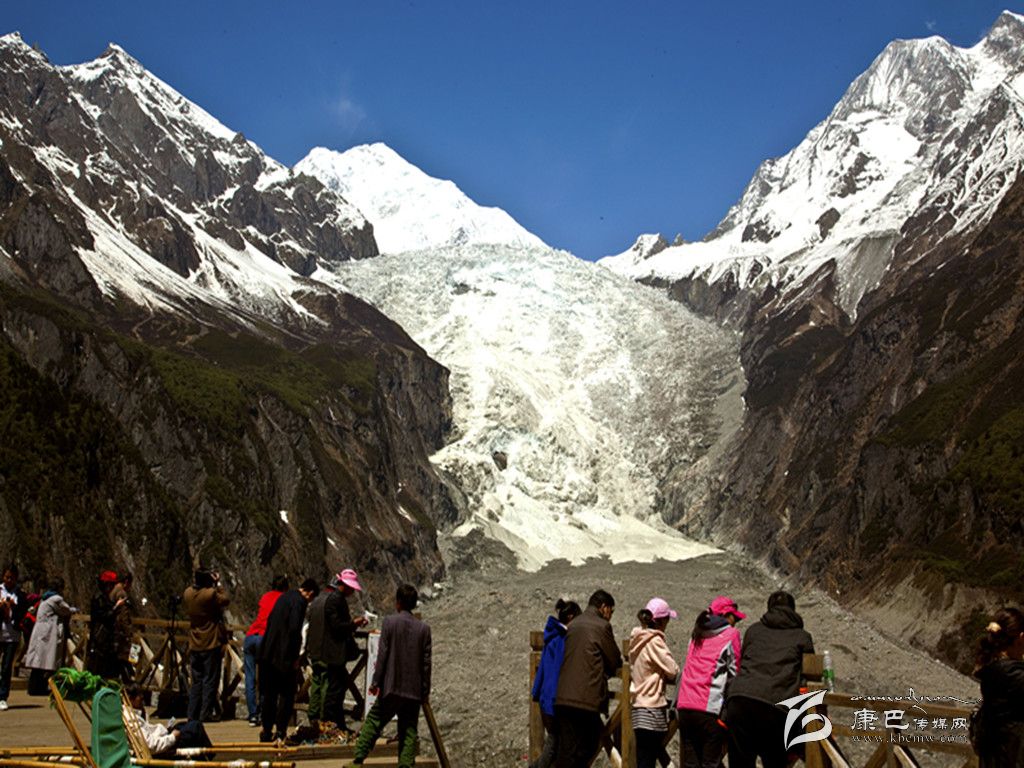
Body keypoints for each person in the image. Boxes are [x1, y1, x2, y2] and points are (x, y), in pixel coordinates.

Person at [723, 591, 814, 768]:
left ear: (769, 608)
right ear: (793, 610)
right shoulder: (802, 637)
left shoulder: (753, 631)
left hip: (740, 701)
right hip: (776, 709)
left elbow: (743, 663)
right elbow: (809, 675)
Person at [351, 584, 432, 768]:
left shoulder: (389, 622)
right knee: (409, 730)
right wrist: (425, 691)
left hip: (391, 686)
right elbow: (426, 664)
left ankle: (358, 758)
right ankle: (405, 765)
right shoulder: (424, 629)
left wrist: (375, 682)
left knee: (374, 721)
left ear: (398, 602)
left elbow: (383, 655)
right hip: (413, 690)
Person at [553, 589, 622, 768]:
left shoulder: (574, 624)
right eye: (611, 611)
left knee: (567, 750)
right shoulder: (602, 626)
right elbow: (615, 659)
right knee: (588, 745)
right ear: (604, 607)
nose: (611, 616)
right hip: (585, 699)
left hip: (563, 696)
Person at [676, 596, 745, 768]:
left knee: (691, 764)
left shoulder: (697, 631)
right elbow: (735, 673)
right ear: (726, 615)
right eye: (734, 618)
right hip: (709, 709)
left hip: (685, 706)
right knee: (710, 763)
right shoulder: (731, 634)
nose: (735, 623)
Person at [306, 569, 368, 740]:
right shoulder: (336, 600)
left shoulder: (320, 598)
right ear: (346, 586)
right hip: (330, 653)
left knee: (317, 685)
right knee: (332, 689)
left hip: (316, 650)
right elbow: (337, 627)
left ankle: (316, 720)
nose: (353, 592)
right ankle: (328, 723)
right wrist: (354, 624)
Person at [258, 578, 319, 743]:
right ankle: (280, 731)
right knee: (286, 695)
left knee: (270, 694)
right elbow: (294, 629)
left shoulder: (284, 597)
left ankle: (266, 730)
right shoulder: (299, 602)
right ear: (310, 593)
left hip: (268, 651)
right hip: (284, 656)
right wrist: (295, 657)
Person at [530, 599, 582, 768]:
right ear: (571, 617)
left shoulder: (552, 637)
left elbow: (543, 669)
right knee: (557, 745)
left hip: (547, 699)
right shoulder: (563, 640)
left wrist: (536, 693)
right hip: (557, 700)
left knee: (555, 743)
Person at [629, 598, 680, 768]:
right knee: (649, 758)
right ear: (662, 621)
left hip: (638, 707)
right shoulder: (655, 641)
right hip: (652, 709)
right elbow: (673, 670)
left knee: (644, 756)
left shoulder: (636, 638)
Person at [972, 607, 1024, 766]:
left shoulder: (993, 669)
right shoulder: (1013, 676)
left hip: (993, 758)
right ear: (1021, 638)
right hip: (1011, 758)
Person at [182, 568, 230, 722]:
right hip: (210, 641)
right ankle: (205, 713)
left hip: (194, 641)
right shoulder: (210, 594)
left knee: (196, 681)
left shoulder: (188, 593)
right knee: (210, 679)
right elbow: (225, 600)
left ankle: (192, 713)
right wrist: (218, 583)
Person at [244, 575, 288, 726]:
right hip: (265, 638)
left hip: (251, 635)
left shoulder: (265, 596)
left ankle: (252, 715)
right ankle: (264, 713)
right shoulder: (284, 599)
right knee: (265, 677)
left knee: (250, 677)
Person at [23, 577, 77, 696]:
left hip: (40, 631)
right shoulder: (56, 599)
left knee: (39, 662)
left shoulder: (44, 598)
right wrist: (74, 609)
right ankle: (39, 688)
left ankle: (34, 688)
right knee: (46, 661)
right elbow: (66, 610)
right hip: (48, 633)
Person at [123, 684, 213, 756]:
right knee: (195, 726)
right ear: (130, 699)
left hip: (162, 736)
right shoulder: (130, 719)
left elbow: (148, 731)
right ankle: (209, 755)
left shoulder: (135, 712)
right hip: (163, 744)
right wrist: (172, 737)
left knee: (185, 725)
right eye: (139, 696)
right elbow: (151, 746)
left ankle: (205, 754)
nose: (142, 698)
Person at [86, 570, 123, 680]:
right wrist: (116, 607)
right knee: (98, 669)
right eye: (111, 585)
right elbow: (104, 616)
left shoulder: (104, 597)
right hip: (100, 638)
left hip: (105, 638)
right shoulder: (99, 598)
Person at [0, 564, 28, 711]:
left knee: (6, 667)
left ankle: (2, 697)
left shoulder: (20, 594)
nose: (9, 580)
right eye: (7, 577)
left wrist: (13, 606)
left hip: (12, 635)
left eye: (12, 578)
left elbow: (23, 611)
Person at [111, 571, 135, 682]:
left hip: (113, 630)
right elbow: (124, 615)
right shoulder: (122, 593)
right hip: (120, 632)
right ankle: (130, 679)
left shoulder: (112, 590)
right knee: (128, 657)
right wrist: (129, 632)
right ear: (126, 582)